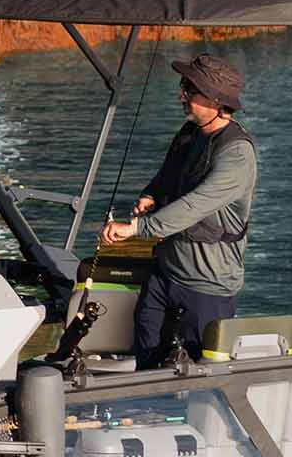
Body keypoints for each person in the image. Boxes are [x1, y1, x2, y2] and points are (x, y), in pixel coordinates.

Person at [104, 52, 258, 366]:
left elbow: (193, 205)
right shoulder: (188, 135)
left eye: (190, 89)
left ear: (216, 100)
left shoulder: (237, 154)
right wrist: (150, 194)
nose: (182, 95)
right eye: (183, 86)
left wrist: (136, 228)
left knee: (198, 377)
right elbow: (166, 177)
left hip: (207, 287)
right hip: (163, 275)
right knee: (147, 361)